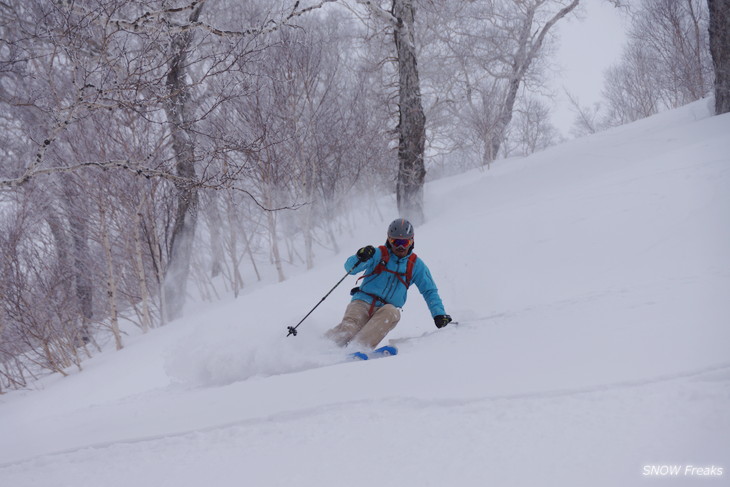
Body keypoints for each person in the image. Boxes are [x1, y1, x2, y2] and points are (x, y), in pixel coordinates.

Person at [326, 218, 452, 349]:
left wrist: (439, 314)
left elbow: (429, 290)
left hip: (386, 310)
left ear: (412, 241)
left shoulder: (415, 265)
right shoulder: (377, 254)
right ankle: (321, 347)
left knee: (392, 312)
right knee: (348, 331)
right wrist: (360, 256)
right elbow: (350, 269)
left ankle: (357, 348)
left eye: (405, 242)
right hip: (362, 302)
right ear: (389, 239)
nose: (400, 247)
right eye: (395, 242)